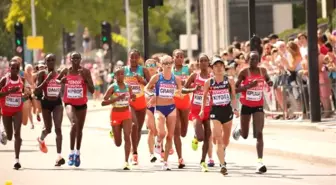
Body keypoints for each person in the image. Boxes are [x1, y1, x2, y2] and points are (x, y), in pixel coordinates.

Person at [232, 51, 273, 174]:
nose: (253, 61)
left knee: (259, 132)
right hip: (246, 105)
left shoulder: (263, 71)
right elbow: (235, 89)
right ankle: (239, 130)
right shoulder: (244, 72)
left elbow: (268, 79)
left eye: (255, 59)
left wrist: (270, 82)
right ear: (247, 60)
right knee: (245, 135)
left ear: (259, 60)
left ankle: (260, 161)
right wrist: (247, 87)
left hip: (258, 105)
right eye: (251, 59)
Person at [200, 56, 239, 175]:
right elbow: (204, 96)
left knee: (225, 140)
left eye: (220, 65)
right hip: (215, 111)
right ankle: (222, 165)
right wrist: (202, 109)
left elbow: (233, 95)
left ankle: (223, 150)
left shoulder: (230, 80)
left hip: (227, 111)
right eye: (216, 66)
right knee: (218, 138)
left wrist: (235, 108)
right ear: (212, 68)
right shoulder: (209, 82)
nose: (218, 68)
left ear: (223, 67)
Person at [56, 52, 94, 167]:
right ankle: (71, 153)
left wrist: (86, 78)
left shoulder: (86, 72)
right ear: (70, 59)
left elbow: (92, 90)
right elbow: (57, 80)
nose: (76, 60)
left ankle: (77, 153)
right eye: (73, 58)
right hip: (69, 102)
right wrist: (61, 81)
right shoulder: (65, 71)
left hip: (82, 104)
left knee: (80, 130)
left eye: (78, 58)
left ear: (81, 59)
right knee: (74, 124)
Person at [145, 55, 182, 170]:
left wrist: (179, 92)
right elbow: (146, 88)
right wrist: (151, 96)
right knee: (161, 133)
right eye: (165, 63)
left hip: (171, 108)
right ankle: (157, 143)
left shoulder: (176, 79)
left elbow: (180, 90)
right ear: (161, 65)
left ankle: (165, 162)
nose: (168, 65)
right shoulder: (156, 77)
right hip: (159, 108)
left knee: (170, 136)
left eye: (170, 62)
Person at [102, 67, 135, 170]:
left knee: (127, 136)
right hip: (115, 114)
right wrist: (116, 99)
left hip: (126, 113)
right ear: (115, 76)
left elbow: (132, 98)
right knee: (118, 143)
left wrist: (133, 97)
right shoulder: (112, 87)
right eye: (118, 74)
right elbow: (103, 102)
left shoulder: (128, 87)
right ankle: (113, 134)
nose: (121, 76)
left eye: (122, 74)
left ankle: (126, 162)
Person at [183, 53, 212, 172]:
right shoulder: (194, 76)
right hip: (195, 111)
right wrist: (193, 89)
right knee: (200, 137)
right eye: (201, 61)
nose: (203, 63)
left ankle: (203, 161)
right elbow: (183, 89)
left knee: (207, 135)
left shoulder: (212, 77)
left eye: (205, 60)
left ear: (209, 63)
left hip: (209, 110)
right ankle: (196, 136)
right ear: (198, 63)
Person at [35, 54, 65, 166]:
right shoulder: (42, 74)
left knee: (58, 129)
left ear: (55, 61)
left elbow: (64, 87)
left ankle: (59, 156)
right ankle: (41, 139)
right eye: (48, 60)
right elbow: (37, 91)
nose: (51, 62)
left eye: (53, 60)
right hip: (46, 103)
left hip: (57, 103)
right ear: (45, 62)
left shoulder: (59, 73)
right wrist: (47, 80)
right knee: (48, 129)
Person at [0, 59, 28, 169]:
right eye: (13, 68)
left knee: (17, 134)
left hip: (17, 110)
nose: (15, 70)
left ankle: (17, 160)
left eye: (17, 68)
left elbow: (22, 95)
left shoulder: (22, 80)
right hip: (6, 110)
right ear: (9, 69)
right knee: (10, 136)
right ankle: (3, 133)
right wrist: (9, 92)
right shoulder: (4, 80)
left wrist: (25, 97)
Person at [124, 49, 150, 165]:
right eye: (131, 57)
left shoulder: (143, 70)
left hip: (141, 102)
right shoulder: (123, 70)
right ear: (128, 58)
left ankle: (133, 150)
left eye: (135, 57)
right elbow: (117, 85)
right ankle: (134, 153)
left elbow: (150, 85)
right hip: (130, 102)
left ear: (139, 58)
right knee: (134, 125)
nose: (133, 59)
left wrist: (142, 80)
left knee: (138, 128)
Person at [172, 49, 192, 168]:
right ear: (173, 58)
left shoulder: (187, 69)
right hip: (173, 103)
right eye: (177, 56)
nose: (179, 58)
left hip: (185, 103)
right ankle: (180, 158)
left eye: (181, 56)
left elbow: (194, 81)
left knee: (183, 132)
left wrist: (186, 83)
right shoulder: (170, 71)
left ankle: (180, 156)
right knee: (176, 131)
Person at [144, 59, 158, 162]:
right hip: (148, 106)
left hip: (160, 106)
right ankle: (151, 153)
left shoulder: (160, 77)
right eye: (148, 65)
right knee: (151, 130)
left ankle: (160, 147)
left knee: (159, 131)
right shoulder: (143, 78)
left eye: (153, 65)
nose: (151, 67)